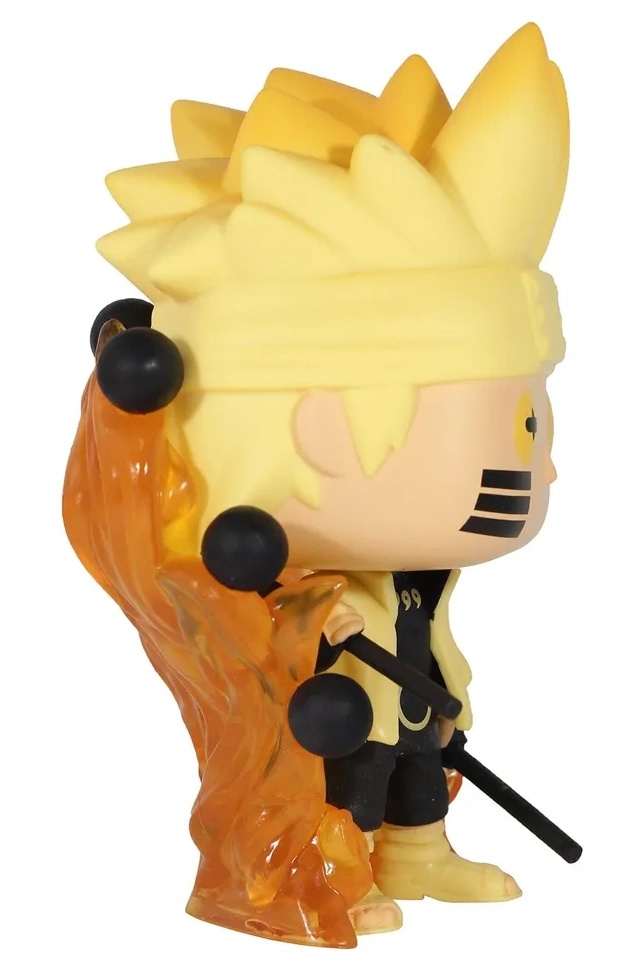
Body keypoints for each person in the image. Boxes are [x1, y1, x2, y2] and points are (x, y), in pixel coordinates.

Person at [64, 22, 569, 946]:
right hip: (347, 715)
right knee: (355, 781)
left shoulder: (422, 570)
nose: (544, 466)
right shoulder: (279, 588)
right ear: (326, 429)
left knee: (418, 779)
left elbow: (432, 627)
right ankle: (332, 864)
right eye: (521, 429)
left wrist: (450, 683)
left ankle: (419, 854)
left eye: (534, 419)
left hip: (412, 695)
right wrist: (312, 621)